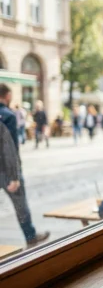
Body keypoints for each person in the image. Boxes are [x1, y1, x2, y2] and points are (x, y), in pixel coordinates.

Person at [0, 84, 50, 246]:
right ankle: (30, 236)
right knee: (20, 204)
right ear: (7, 96)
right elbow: (11, 148)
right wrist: (14, 175)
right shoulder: (8, 116)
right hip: (8, 170)